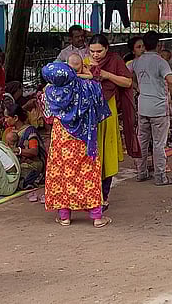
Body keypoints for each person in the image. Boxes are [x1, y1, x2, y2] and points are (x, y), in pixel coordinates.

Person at [41, 61, 111, 227]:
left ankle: (64, 216)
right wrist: (87, 73)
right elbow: (98, 92)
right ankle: (97, 217)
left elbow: (48, 118)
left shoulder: (48, 93)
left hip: (61, 140)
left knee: (62, 173)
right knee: (88, 174)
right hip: (84, 138)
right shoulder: (87, 87)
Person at [87, 34, 139, 206]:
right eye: (92, 51)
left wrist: (106, 74)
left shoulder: (115, 60)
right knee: (90, 155)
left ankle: (104, 194)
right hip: (89, 112)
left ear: (107, 49)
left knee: (106, 153)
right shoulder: (85, 62)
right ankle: (91, 195)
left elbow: (127, 82)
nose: (95, 55)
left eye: (99, 51)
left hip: (108, 111)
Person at [128, 31, 172, 186]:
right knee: (158, 143)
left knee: (142, 141)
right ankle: (161, 177)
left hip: (143, 107)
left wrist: (137, 88)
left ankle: (141, 173)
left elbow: (126, 75)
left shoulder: (136, 62)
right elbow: (171, 81)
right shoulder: (160, 62)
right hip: (159, 109)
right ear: (159, 45)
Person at [1, 104, 45, 189]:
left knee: (13, 176)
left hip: (31, 163)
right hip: (17, 162)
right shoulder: (9, 131)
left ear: (16, 118)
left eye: (7, 117)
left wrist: (18, 150)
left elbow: (34, 152)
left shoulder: (30, 131)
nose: (5, 120)